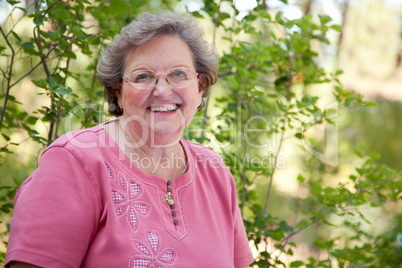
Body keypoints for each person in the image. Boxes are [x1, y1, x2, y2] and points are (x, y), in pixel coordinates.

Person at [5, 11, 254, 268]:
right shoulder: (74, 162)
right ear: (119, 92)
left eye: (179, 74)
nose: (162, 90)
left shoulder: (214, 172)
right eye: (143, 77)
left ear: (200, 87)